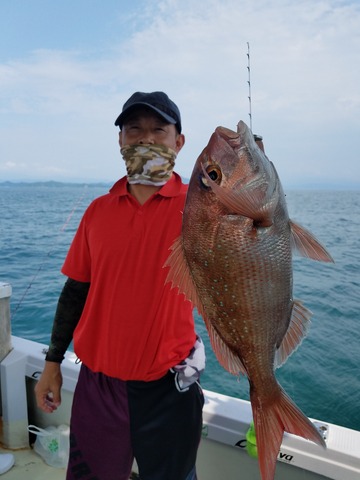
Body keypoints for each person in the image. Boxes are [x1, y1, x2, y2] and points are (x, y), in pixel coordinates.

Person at [34, 91, 205, 480]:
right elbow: (76, 290)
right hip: (99, 385)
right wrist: (52, 363)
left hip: (171, 386)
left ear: (179, 141)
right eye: (134, 129)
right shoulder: (98, 211)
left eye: (158, 130)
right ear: (120, 140)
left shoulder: (200, 210)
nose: (145, 139)